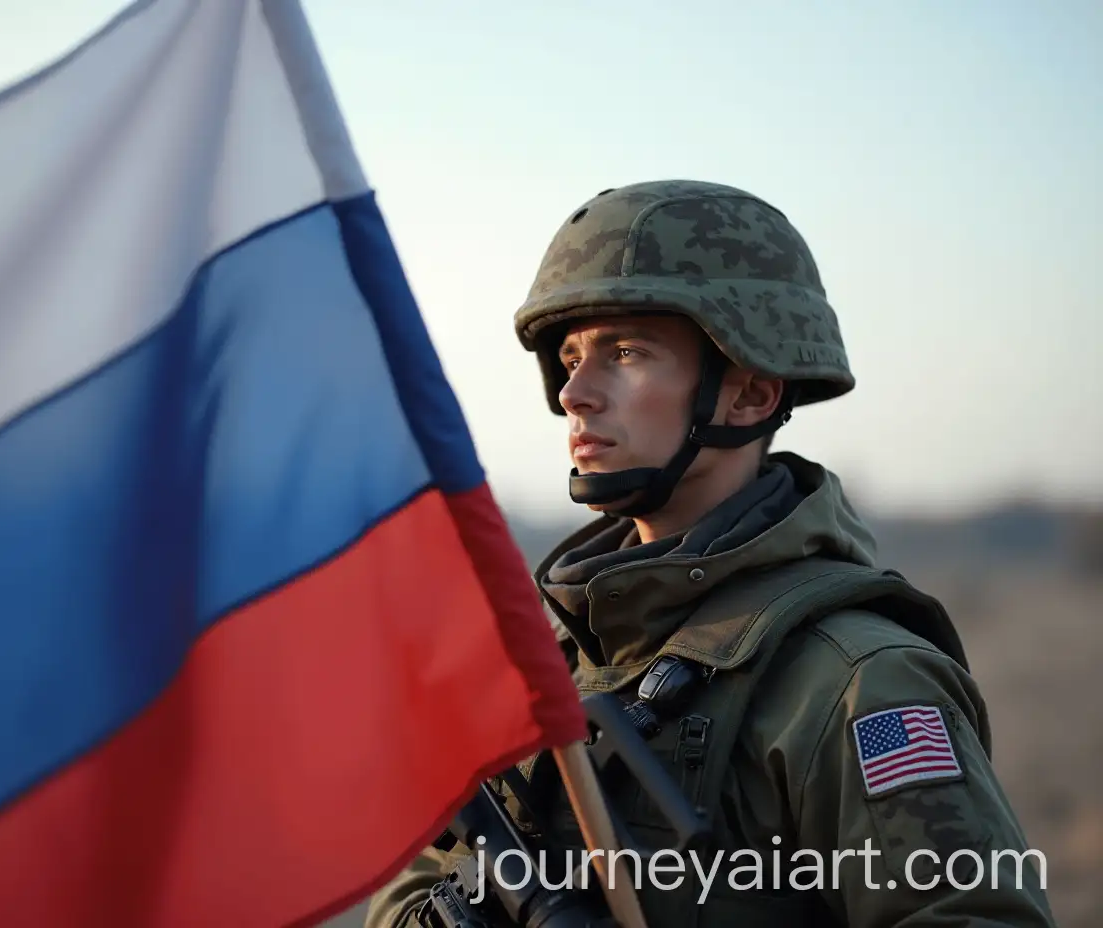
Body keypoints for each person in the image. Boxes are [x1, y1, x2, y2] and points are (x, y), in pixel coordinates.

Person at [364, 180, 1057, 927]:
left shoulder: (856, 682)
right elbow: (412, 883)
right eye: (569, 357)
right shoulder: (544, 665)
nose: (575, 394)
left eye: (626, 352)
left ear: (750, 396)